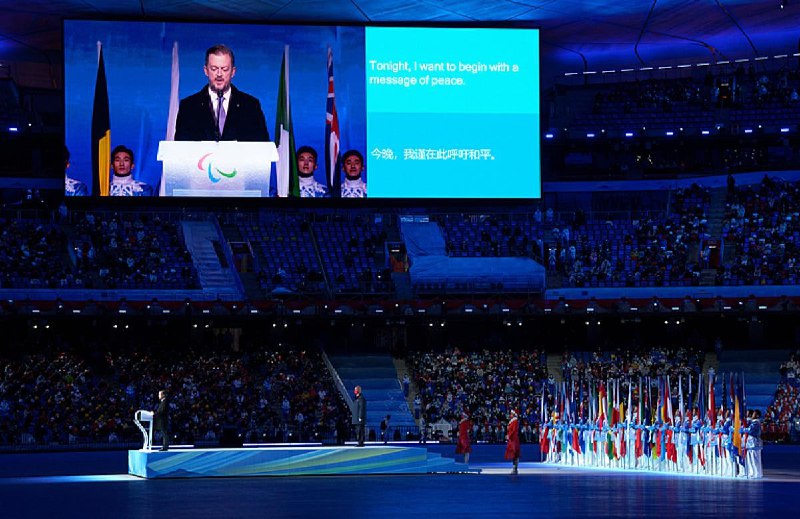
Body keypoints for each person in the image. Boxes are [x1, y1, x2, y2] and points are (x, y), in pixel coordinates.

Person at [174, 44, 270, 142]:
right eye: (214, 69)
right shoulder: (188, 107)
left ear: (233, 72)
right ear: (206, 71)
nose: (219, 74)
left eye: (224, 69)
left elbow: (262, 147)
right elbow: (181, 149)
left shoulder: (251, 106)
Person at [505, 409, 521, 474]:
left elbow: (513, 430)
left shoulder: (515, 421)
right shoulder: (512, 421)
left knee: (515, 454)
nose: (510, 415)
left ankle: (515, 468)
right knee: (514, 454)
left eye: (511, 414)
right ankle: (514, 468)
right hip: (512, 439)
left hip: (513, 439)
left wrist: (509, 436)